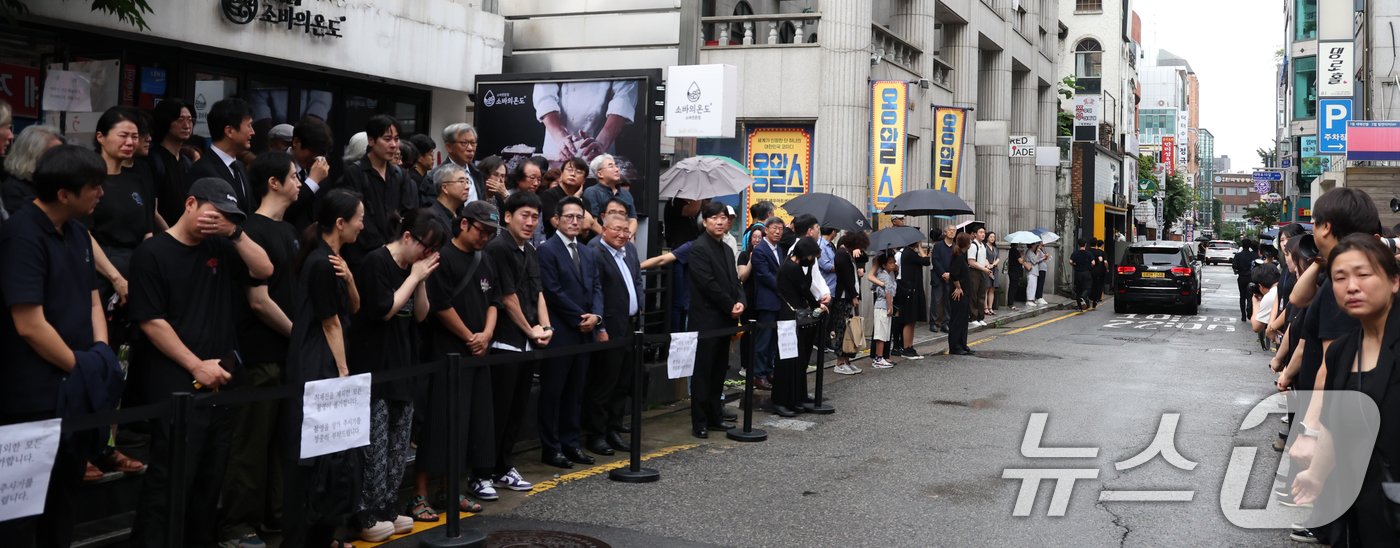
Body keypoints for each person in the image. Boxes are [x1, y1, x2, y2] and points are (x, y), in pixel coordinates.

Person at [127, 177, 274, 548]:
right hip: (175, 382)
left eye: (229, 215)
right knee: (170, 481)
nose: (220, 220)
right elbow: (151, 321)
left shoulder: (222, 245)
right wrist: (195, 366)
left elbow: (264, 270)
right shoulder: (152, 253)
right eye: (215, 212)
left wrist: (235, 233)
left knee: (210, 482)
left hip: (221, 381)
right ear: (190, 203)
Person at [0, 145, 113, 548]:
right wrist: (82, 368)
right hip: (31, 397)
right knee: (19, 516)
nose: (101, 193)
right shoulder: (22, 234)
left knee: (63, 505)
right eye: (94, 186)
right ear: (64, 194)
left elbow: (93, 300)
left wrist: (100, 355)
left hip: (75, 390)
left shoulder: (79, 232)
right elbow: (29, 324)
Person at [1290, 234, 1400, 547]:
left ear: (1394, 281)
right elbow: (1333, 425)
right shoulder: (1342, 351)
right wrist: (1316, 475)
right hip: (1359, 509)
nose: (1351, 286)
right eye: (1340, 278)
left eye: (1363, 274)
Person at [346, 208, 445, 542]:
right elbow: (384, 309)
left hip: (405, 363)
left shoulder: (414, 269)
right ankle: (366, 513)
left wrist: (421, 280)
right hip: (375, 365)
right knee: (374, 445)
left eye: (433, 250)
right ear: (407, 236)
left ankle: (389, 506)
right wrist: (415, 277)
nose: (428, 254)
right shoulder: (376, 262)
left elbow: (421, 315)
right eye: (426, 246)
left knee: (398, 444)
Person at [221, 151, 303, 548]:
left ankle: (276, 517)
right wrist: (298, 335)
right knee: (250, 445)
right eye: (294, 176)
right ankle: (237, 526)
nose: (300, 182)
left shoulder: (289, 230)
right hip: (259, 354)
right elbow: (258, 301)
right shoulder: (253, 230)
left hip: (287, 354)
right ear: (273, 183)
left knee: (282, 443)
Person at [281, 188, 364, 548]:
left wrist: (350, 278)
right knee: (316, 457)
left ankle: (324, 534)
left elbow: (353, 309)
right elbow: (330, 323)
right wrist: (344, 371)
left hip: (328, 359)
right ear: (341, 223)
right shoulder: (319, 262)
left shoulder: (335, 261)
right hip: (318, 363)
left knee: (335, 456)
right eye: (359, 219)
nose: (363, 225)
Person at [418, 200, 503, 516]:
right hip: (447, 352)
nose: (486, 237)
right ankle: (420, 493)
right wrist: (470, 336)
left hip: (478, 354)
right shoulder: (442, 257)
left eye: (491, 233)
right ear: (464, 223)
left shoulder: (486, 258)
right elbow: (439, 305)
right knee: (439, 424)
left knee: (468, 424)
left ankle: (450, 490)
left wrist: (486, 335)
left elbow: (495, 300)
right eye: (482, 230)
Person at [482, 191, 550, 488]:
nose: (530, 222)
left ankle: (503, 467)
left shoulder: (530, 250)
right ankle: (483, 473)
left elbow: (538, 292)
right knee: (498, 411)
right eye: (525, 215)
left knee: (517, 411)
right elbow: (508, 298)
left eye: (535, 217)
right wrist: (531, 330)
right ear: (507, 216)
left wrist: (545, 327)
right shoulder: (498, 248)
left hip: (527, 341)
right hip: (504, 341)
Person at [534, 196, 604, 468]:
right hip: (561, 331)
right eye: (569, 217)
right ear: (556, 220)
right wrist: (579, 317)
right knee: (554, 392)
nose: (575, 222)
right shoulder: (546, 250)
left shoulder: (588, 252)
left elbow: (596, 287)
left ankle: (571, 443)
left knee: (576, 391)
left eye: (579, 217)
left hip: (585, 331)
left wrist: (596, 316)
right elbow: (552, 291)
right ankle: (551, 448)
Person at [687, 202, 745, 438]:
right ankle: (699, 421)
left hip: (726, 320)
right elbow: (707, 284)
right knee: (703, 372)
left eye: (723, 218)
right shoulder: (699, 248)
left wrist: (741, 302)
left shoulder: (727, 249)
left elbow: (735, 282)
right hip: (706, 320)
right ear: (705, 221)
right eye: (714, 218)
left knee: (720, 370)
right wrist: (730, 305)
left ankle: (715, 416)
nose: (720, 222)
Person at [585, 212, 642, 455]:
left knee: (622, 382)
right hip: (608, 327)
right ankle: (596, 435)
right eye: (616, 229)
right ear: (604, 229)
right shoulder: (596, 253)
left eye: (625, 230)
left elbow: (637, 281)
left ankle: (614, 429)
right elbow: (594, 292)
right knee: (604, 384)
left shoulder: (630, 252)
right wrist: (601, 328)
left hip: (629, 326)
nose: (622, 234)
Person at [331, 115, 417, 266]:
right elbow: (355, 215)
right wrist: (383, 248)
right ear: (371, 141)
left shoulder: (400, 174)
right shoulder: (355, 173)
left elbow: (408, 212)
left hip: (395, 254)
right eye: (387, 139)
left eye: (396, 139)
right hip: (363, 256)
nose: (393, 145)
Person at [772, 237, 825, 417]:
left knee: (795, 359)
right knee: (787, 361)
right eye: (811, 256)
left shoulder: (790, 264)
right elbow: (805, 288)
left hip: (790, 316)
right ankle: (782, 400)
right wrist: (818, 305)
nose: (812, 260)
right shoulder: (792, 268)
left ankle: (795, 398)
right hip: (789, 317)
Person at [533, 80, 637, 164]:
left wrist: (602, 142)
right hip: (557, 146)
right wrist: (559, 135)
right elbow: (544, 95)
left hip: (601, 142)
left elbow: (624, 97)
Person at [187, 98, 257, 216]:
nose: (253, 132)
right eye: (249, 126)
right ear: (229, 131)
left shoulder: (240, 167)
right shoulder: (202, 170)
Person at [750, 216, 785, 390]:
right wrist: (783, 287)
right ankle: (759, 375)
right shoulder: (760, 250)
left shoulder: (780, 249)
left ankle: (769, 371)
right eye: (774, 228)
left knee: (774, 340)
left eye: (780, 229)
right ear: (766, 230)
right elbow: (764, 275)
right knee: (763, 340)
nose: (778, 232)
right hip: (766, 300)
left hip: (778, 301)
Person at [149, 99, 195, 224]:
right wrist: (170, 233)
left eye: (190, 120)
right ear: (166, 122)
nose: (187, 125)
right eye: (180, 120)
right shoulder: (153, 159)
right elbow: (153, 210)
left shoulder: (186, 162)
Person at [3, 125, 64, 217]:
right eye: (54, 154)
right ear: (32, 156)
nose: (61, 159)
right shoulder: (13, 190)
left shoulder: (53, 182)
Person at [286, 116, 334, 230]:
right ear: (296, 142)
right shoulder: (279, 165)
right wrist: (312, 181)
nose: (314, 157)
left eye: (319, 153)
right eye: (312, 151)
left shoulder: (320, 170)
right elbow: (284, 209)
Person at [831, 232, 866, 375]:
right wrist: (854, 296)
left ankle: (846, 361)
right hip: (844, 297)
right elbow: (846, 278)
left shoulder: (847, 254)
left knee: (847, 329)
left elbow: (864, 258)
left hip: (847, 296)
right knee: (842, 329)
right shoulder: (842, 255)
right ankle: (839, 362)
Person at [430, 123, 491, 204]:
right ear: (449, 147)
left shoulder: (477, 173)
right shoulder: (435, 177)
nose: (470, 148)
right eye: (464, 143)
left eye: (473, 143)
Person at [539, 157, 593, 239]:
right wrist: (575, 199)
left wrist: (578, 199)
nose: (573, 174)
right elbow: (557, 224)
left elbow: (586, 226)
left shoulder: (584, 200)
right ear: (561, 174)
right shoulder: (549, 195)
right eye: (569, 170)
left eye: (578, 172)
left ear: (584, 180)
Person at [584, 153, 637, 237]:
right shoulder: (592, 192)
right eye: (611, 166)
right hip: (600, 241)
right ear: (600, 174)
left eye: (616, 166)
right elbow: (592, 222)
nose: (617, 169)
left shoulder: (626, 194)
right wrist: (609, 238)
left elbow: (633, 219)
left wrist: (627, 237)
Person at [947, 232, 975, 355]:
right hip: (958, 292)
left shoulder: (962, 255)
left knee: (963, 319)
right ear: (966, 243)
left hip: (965, 292)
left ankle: (963, 344)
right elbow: (954, 274)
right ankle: (955, 346)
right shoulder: (957, 256)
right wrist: (958, 287)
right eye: (969, 240)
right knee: (957, 320)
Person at [871, 251, 899, 368]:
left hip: (883, 305)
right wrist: (890, 306)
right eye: (890, 263)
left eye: (894, 262)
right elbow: (888, 292)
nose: (893, 265)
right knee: (881, 333)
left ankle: (880, 356)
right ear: (884, 265)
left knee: (884, 333)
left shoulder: (887, 275)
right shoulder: (884, 276)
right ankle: (878, 357)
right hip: (882, 305)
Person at [427, 163, 469, 234]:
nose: (467, 187)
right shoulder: (431, 218)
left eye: (467, 182)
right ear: (444, 188)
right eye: (461, 181)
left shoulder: (462, 214)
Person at [929, 225, 955, 332]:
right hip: (938, 277)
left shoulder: (955, 247)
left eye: (954, 230)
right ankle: (933, 323)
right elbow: (935, 260)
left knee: (948, 301)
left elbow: (956, 262)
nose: (952, 232)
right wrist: (943, 273)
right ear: (945, 232)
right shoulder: (938, 245)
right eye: (950, 230)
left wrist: (950, 274)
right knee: (936, 300)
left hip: (950, 277)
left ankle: (946, 323)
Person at [966, 225, 992, 326]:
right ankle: (973, 317)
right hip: (974, 272)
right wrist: (984, 269)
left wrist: (987, 265)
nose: (983, 234)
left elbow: (984, 259)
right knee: (974, 295)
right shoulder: (973, 245)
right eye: (980, 232)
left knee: (981, 295)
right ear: (975, 234)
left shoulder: (983, 245)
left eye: (984, 232)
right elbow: (971, 262)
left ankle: (980, 317)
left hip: (982, 271)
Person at [1232, 239, 1260, 321]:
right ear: (1250, 246)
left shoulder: (1238, 255)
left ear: (1242, 245)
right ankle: (1249, 310)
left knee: (1242, 296)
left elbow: (1234, 266)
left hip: (1242, 277)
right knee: (1251, 296)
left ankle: (1243, 315)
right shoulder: (1254, 255)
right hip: (1252, 278)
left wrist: (1237, 271)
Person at [1069, 239, 1096, 310]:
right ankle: (1083, 297)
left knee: (1078, 289)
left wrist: (1074, 264)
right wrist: (1090, 266)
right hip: (1086, 273)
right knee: (1087, 288)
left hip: (1078, 273)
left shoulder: (1075, 253)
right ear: (1085, 244)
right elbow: (1093, 263)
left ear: (1078, 245)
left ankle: (1080, 306)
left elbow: (1070, 261)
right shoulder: (1089, 254)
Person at [1024, 242, 1048, 306]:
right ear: (1032, 245)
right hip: (1031, 271)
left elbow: (1036, 260)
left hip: (1034, 271)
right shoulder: (1029, 252)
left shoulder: (1032, 252)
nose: (1036, 246)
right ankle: (1029, 300)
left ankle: (1032, 299)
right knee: (1031, 286)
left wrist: (1041, 257)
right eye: (1035, 245)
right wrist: (1037, 254)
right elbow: (1034, 261)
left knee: (1033, 286)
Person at [984, 231, 1002, 317]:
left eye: (994, 237)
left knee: (992, 289)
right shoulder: (984, 247)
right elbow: (984, 257)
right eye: (991, 237)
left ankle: (990, 307)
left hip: (994, 269)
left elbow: (998, 258)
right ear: (987, 237)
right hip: (986, 268)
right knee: (986, 288)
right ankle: (985, 308)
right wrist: (988, 266)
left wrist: (993, 265)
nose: (992, 238)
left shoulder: (995, 248)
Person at [1089, 238, 1108, 308]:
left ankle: (1089, 298)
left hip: (1088, 271)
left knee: (1089, 285)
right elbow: (1103, 261)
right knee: (1098, 285)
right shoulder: (1100, 252)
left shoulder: (1088, 251)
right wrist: (1107, 268)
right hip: (1098, 271)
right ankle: (1096, 299)